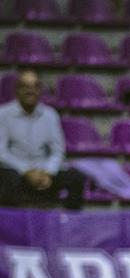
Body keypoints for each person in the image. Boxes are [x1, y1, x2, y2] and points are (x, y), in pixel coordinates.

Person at [0, 69, 85, 211]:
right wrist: (26, 171)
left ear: (39, 90)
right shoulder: (3, 114)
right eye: (25, 87)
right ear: (17, 90)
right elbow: (1, 152)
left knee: (76, 178)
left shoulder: (50, 115)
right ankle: (8, 227)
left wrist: (48, 172)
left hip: (44, 172)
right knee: (9, 179)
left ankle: (69, 226)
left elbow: (58, 151)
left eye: (34, 87)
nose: (30, 91)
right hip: (14, 170)